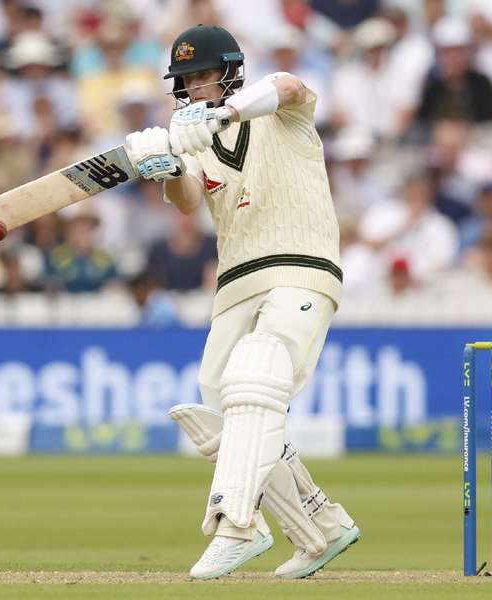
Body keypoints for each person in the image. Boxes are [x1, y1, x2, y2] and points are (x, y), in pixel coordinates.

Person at [123, 24, 359, 580]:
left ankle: (239, 524)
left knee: (257, 377)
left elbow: (292, 85)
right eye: (186, 80)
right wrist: (167, 165)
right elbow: (184, 204)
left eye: (204, 75)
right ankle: (320, 528)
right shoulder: (195, 140)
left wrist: (223, 115)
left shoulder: (280, 114)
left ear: (230, 71)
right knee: (221, 410)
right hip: (236, 282)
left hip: (300, 265)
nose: (195, 87)